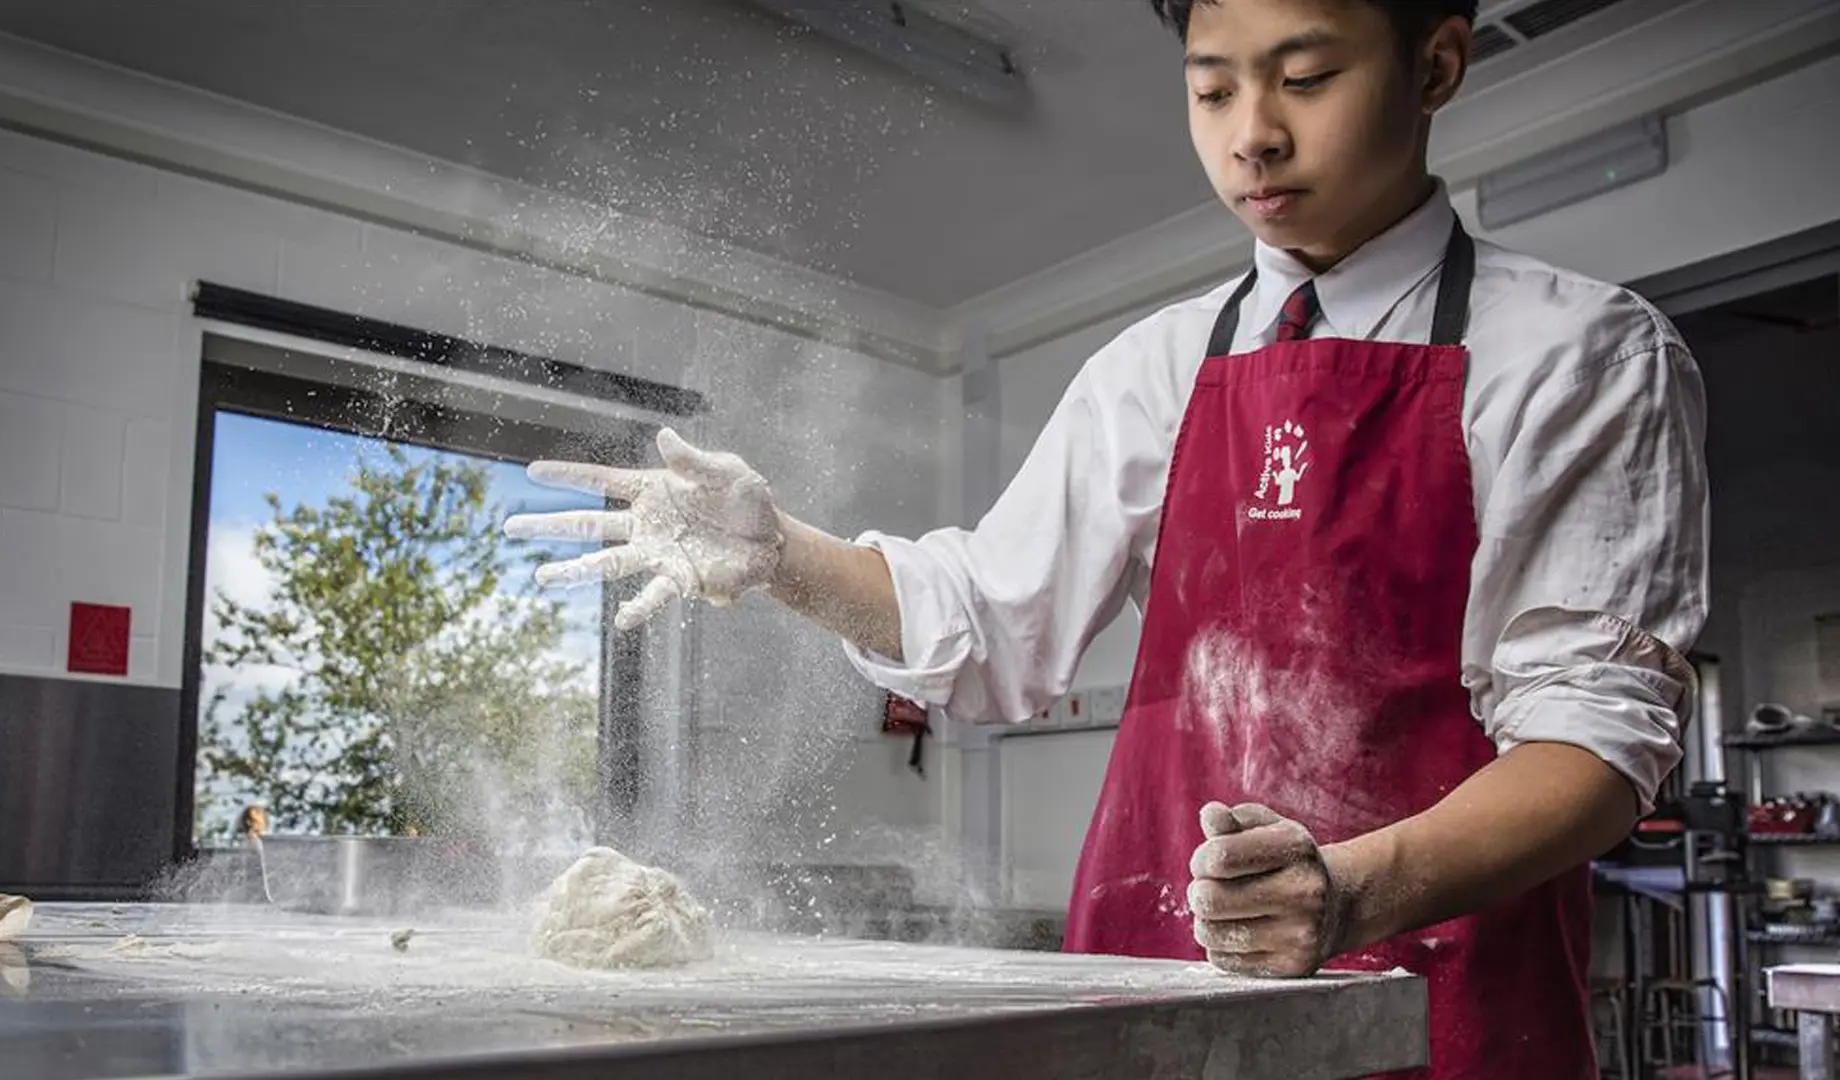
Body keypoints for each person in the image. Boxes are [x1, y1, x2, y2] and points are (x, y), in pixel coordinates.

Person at [503, 0, 1709, 1075]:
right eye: (1212, 86)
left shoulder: (1579, 353)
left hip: (1434, 1009)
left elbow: (1594, 744)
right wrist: (783, 556)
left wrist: (1350, 893)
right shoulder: (1156, 367)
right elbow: (991, 622)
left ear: (1437, 64)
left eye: (1305, 76)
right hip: (1154, 992)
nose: (1252, 135)